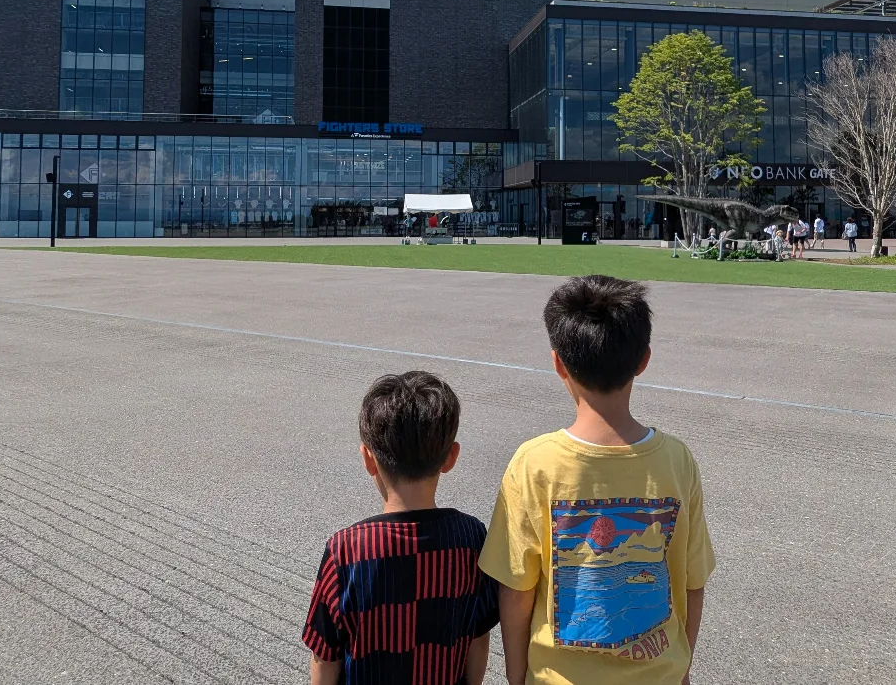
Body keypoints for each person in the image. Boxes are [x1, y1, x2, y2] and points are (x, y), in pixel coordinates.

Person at [481, 276, 715, 685]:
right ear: (643, 360)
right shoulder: (676, 460)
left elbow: (516, 591)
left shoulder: (535, 463)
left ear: (558, 364)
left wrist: (516, 677)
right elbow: (693, 584)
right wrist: (682, 667)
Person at [303, 372, 501, 685]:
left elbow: (326, 656)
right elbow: (478, 634)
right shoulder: (471, 537)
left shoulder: (346, 550)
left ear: (368, 459)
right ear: (451, 457)